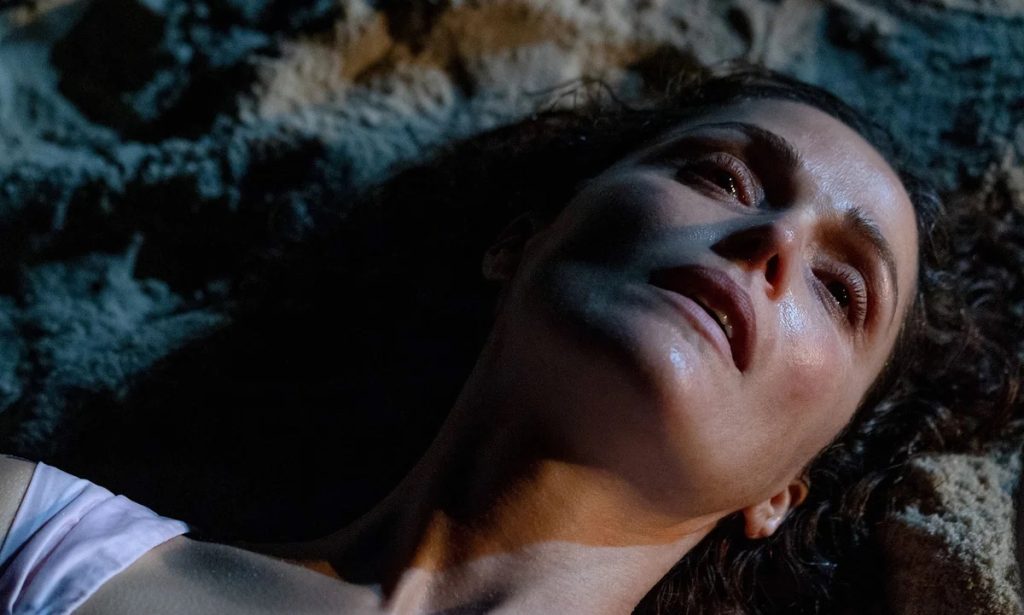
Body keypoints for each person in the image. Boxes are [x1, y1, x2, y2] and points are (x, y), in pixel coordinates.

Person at [0, 66, 1011, 614]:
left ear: (783, 489)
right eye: (721, 178)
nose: (773, 241)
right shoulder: (38, 538)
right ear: (521, 240)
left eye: (839, 289)